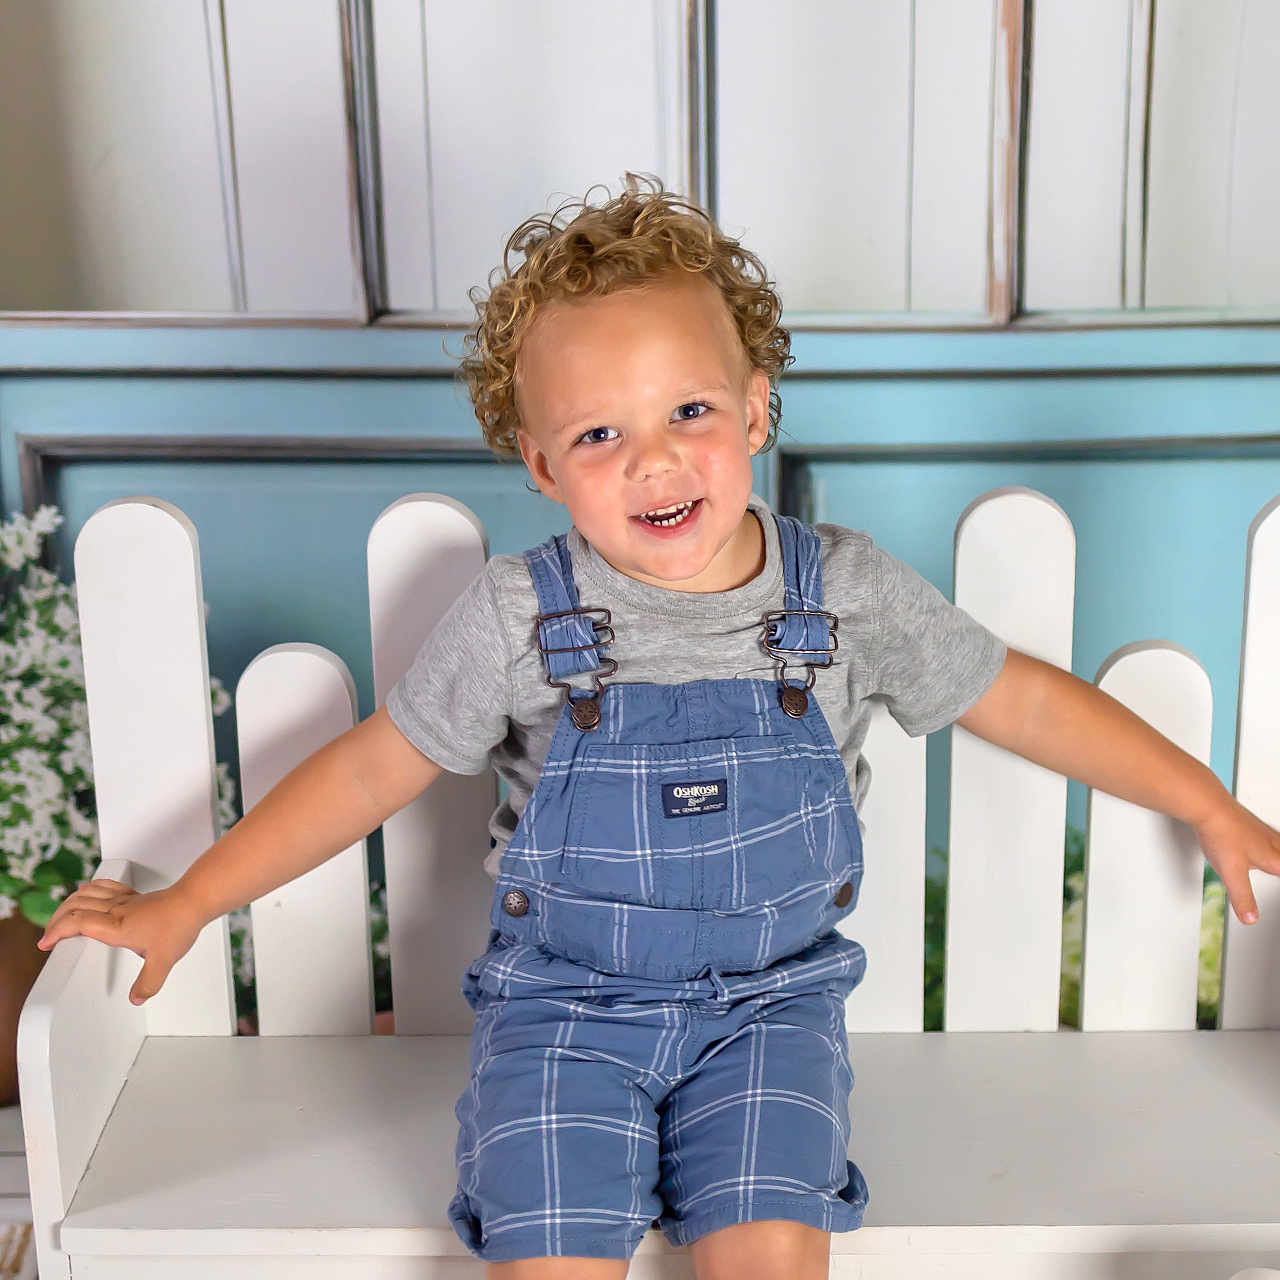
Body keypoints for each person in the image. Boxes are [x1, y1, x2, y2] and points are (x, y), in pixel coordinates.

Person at [37, 173, 1280, 1279]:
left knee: (770, 1244)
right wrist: (191, 898)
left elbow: (1017, 693)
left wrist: (1205, 801)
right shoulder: (523, 615)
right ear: (538, 464)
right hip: (564, 1011)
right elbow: (372, 767)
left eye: (687, 411)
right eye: (598, 433)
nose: (653, 460)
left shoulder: (838, 593)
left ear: (752, 408)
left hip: (769, 1010)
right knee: (551, 1240)